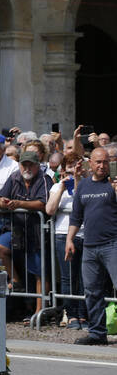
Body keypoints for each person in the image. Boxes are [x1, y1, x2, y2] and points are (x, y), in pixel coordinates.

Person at [0, 151, 53, 308]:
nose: (27, 167)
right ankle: (16, 280)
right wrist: (3, 203)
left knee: (40, 272)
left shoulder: (45, 179)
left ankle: (40, 310)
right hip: (17, 230)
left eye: (30, 164)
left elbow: (43, 204)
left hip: (38, 231)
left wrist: (19, 204)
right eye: (24, 164)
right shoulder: (14, 177)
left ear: (37, 165)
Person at [68, 148, 117, 345]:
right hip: (89, 246)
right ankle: (97, 334)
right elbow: (76, 216)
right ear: (91, 163)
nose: (102, 166)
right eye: (98, 162)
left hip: (113, 244)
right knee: (92, 291)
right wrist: (70, 240)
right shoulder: (84, 185)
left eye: (105, 162)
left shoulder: (113, 185)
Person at [46, 152, 87, 330]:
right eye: (68, 167)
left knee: (85, 278)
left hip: (85, 235)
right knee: (68, 278)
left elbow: (81, 204)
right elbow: (49, 210)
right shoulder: (57, 188)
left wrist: (78, 180)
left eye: (75, 166)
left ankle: (84, 314)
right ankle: (71, 314)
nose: (72, 170)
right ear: (63, 170)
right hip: (63, 234)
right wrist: (62, 188)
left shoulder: (86, 185)